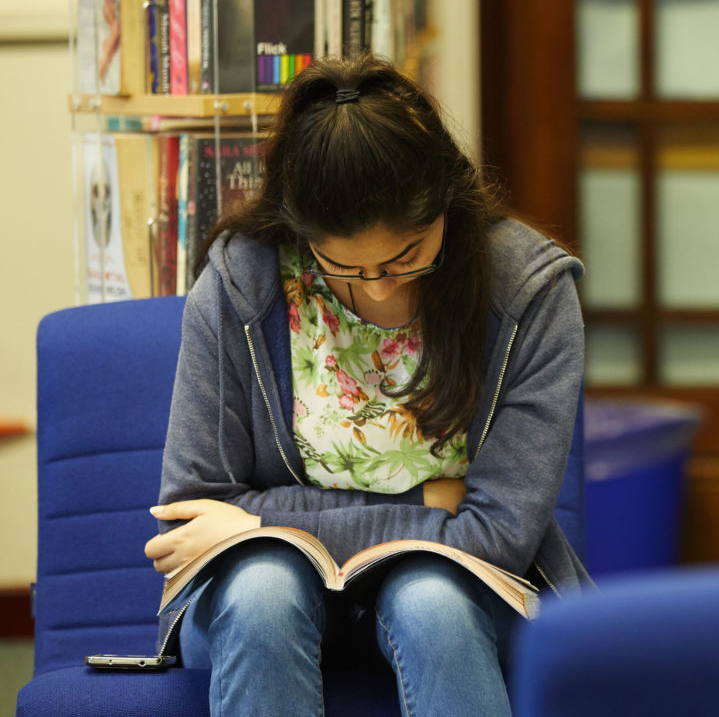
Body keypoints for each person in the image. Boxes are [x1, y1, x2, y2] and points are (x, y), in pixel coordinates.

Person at [142, 53, 590, 717]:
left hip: (466, 595)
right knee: (264, 587)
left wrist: (259, 517)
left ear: (448, 200)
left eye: (408, 255)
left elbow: (499, 534)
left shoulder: (528, 292)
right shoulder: (242, 282)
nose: (380, 285)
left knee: (431, 599)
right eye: (343, 267)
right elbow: (195, 511)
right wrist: (431, 502)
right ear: (301, 234)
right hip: (257, 600)